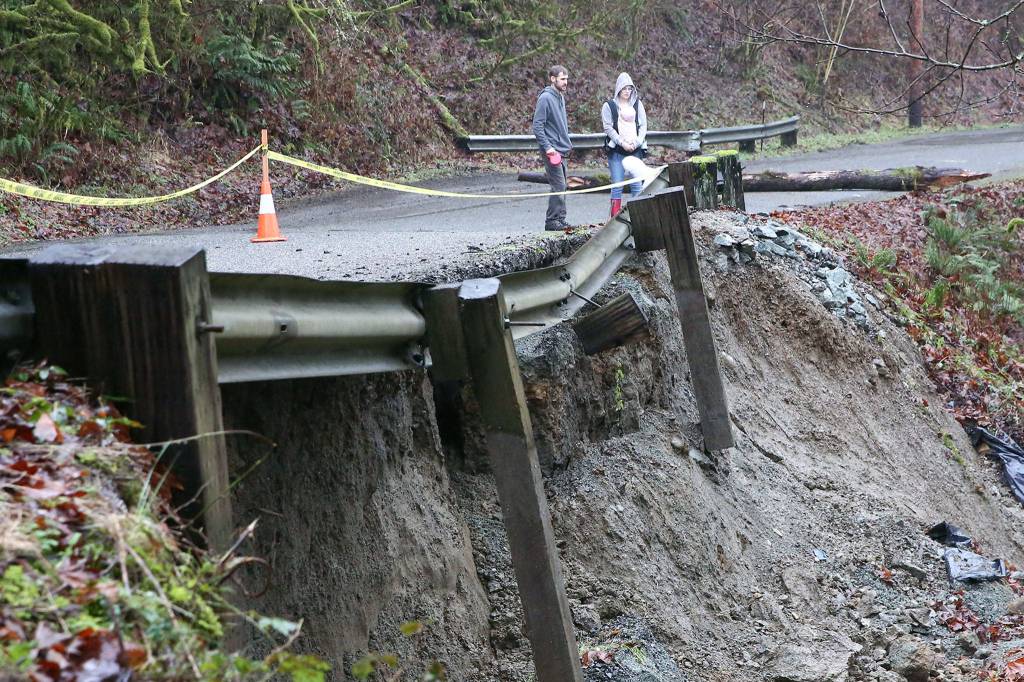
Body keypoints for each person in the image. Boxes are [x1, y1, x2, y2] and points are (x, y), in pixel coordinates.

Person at [601, 72, 649, 217]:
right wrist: (621, 142)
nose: (627, 92)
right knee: (617, 184)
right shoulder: (609, 106)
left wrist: (638, 142)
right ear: (619, 89)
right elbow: (608, 127)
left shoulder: (637, 104)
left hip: (635, 149)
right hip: (617, 151)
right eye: (624, 89)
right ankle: (614, 219)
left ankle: (638, 216)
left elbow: (643, 125)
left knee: (637, 185)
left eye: (629, 89)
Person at [532, 65, 573, 231]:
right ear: (553, 78)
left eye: (567, 79)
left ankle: (561, 219)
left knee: (563, 185)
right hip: (552, 150)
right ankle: (551, 221)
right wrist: (548, 148)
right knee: (558, 185)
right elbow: (537, 126)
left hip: (562, 149)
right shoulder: (546, 98)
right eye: (562, 79)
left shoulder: (560, 97)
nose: (565, 82)